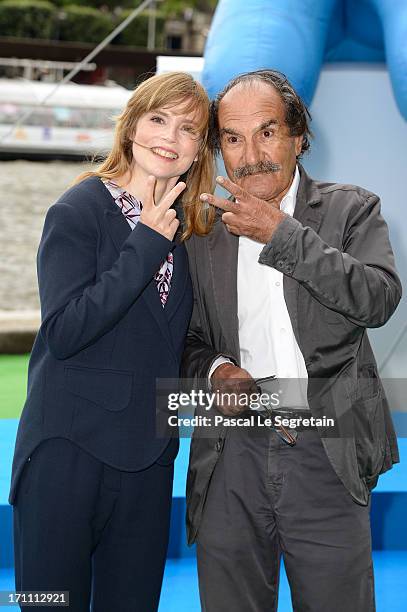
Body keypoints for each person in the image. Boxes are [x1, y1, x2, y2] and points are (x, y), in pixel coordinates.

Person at [181, 69, 402, 611]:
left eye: (267, 131)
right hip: (230, 449)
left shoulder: (353, 209)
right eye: (233, 138)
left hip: (329, 446)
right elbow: (182, 337)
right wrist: (213, 371)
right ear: (217, 150)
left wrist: (280, 234)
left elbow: (377, 299)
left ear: (299, 136)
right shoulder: (198, 230)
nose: (251, 153)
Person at [9, 71, 214, 611]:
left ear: (198, 151)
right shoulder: (78, 210)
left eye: (188, 129)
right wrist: (145, 240)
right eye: (158, 119)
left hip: (147, 463)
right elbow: (66, 330)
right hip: (66, 457)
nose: (170, 137)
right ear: (131, 129)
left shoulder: (184, 231)